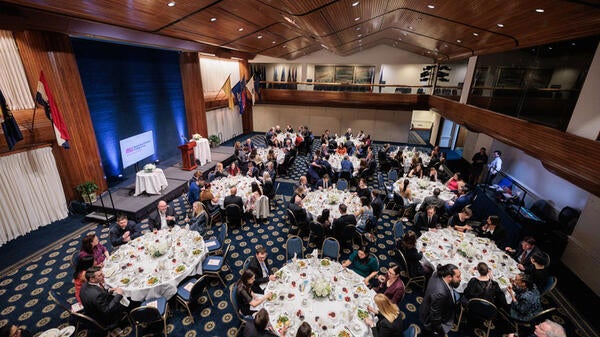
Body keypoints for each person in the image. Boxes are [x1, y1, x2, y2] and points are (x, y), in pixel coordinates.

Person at [419, 263, 461, 337]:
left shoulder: (437, 274)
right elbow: (435, 317)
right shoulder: (441, 293)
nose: (460, 279)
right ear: (449, 277)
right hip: (430, 322)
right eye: (458, 277)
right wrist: (441, 331)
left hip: (427, 307)